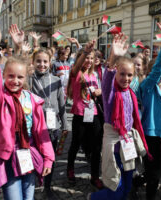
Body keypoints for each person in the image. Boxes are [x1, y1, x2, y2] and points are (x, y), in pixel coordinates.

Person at [0, 23, 54, 200]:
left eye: (20, 77)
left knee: (28, 197)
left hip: (29, 153)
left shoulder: (32, 99)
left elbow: (40, 132)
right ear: (4, 76)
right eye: (10, 76)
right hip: (9, 156)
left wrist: (48, 158)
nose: (15, 80)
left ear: (26, 77)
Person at [88, 33, 151, 200]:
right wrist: (112, 57)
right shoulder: (111, 93)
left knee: (127, 187)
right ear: (116, 74)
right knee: (116, 188)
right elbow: (107, 80)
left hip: (128, 145)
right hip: (114, 147)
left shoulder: (130, 93)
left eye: (129, 75)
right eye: (122, 74)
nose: (126, 78)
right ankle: (94, 198)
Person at [138, 22, 161, 200]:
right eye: (159, 71)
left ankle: (134, 184)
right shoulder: (147, 86)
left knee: (156, 170)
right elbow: (157, 70)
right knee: (153, 172)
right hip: (150, 134)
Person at [29, 48, 68, 199]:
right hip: (35, 128)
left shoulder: (56, 81)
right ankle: (32, 184)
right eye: (38, 61)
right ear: (33, 62)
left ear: (50, 62)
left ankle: (47, 186)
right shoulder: (30, 80)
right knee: (35, 157)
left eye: (45, 61)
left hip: (53, 128)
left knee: (50, 159)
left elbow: (62, 103)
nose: (42, 64)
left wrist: (65, 124)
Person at [66, 40, 103, 189]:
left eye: (91, 58)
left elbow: (98, 92)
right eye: (86, 58)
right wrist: (85, 51)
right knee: (75, 144)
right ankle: (70, 169)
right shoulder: (77, 74)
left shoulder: (94, 75)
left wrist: (99, 92)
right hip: (80, 115)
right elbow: (75, 68)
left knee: (96, 147)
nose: (89, 60)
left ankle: (95, 176)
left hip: (94, 115)